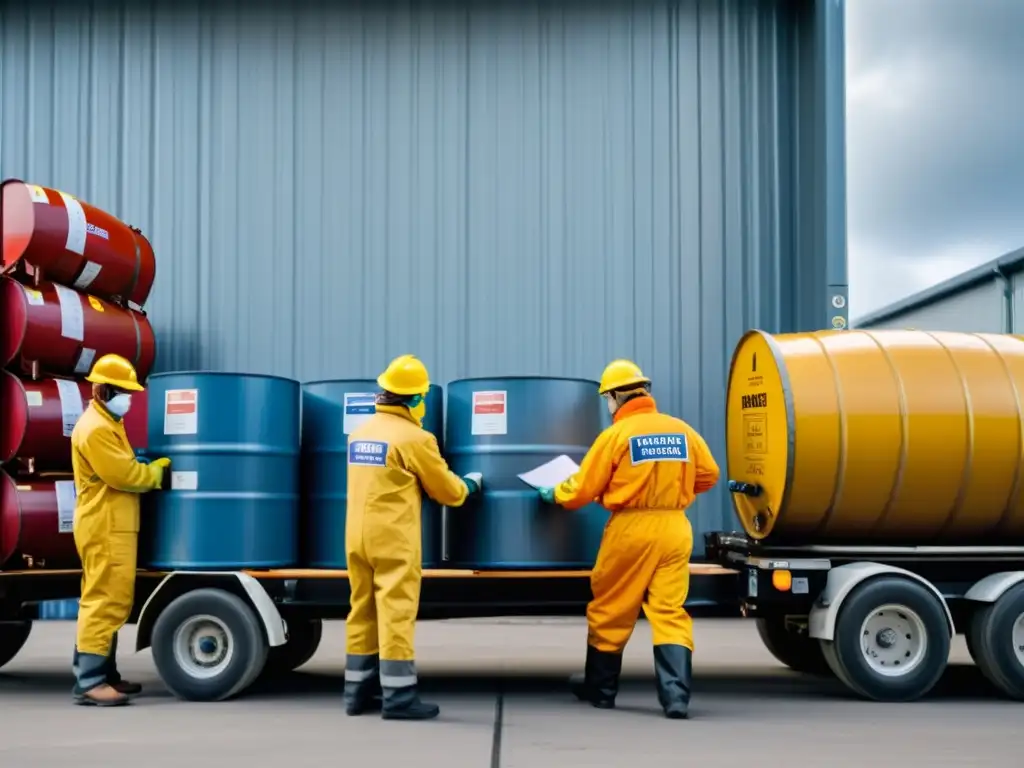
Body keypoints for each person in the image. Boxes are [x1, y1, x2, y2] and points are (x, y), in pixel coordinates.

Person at [537, 359, 720, 719]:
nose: (608, 405)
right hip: (673, 528)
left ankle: (601, 689)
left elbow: (582, 488)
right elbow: (709, 474)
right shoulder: (681, 430)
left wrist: (555, 494)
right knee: (669, 610)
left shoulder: (616, 436)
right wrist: (674, 491)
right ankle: (676, 698)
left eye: (607, 398)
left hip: (631, 529)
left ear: (618, 397)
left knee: (612, 608)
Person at [344, 354, 483, 721]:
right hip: (392, 538)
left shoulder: (360, 433)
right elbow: (447, 492)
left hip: (356, 537)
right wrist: (469, 485)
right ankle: (399, 698)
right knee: (396, 613)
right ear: (415, 399)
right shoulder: (416, 438)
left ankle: (356, 693)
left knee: (362, 610)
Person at [70, 354, 171, 707]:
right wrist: (155, 474)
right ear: (102, 390)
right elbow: (123, 476)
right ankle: (90, 681)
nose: (128, 398)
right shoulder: (96, 428)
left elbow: (121, 465)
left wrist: (137, 463)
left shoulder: (107, 423)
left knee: (111, 601)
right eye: (123, 391)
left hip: (112, 523)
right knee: (103, 601)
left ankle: (105, 675)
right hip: (104, 525)